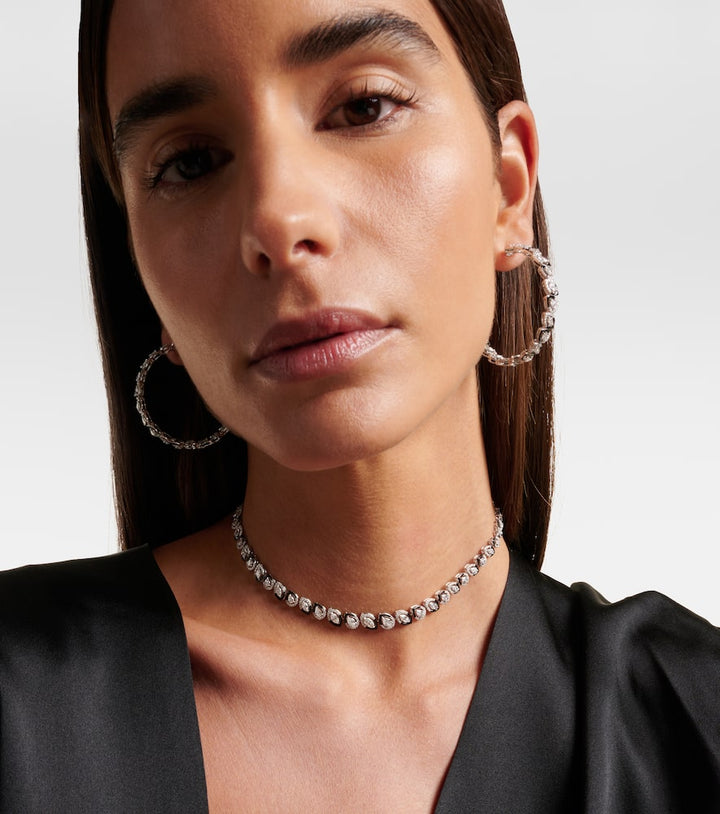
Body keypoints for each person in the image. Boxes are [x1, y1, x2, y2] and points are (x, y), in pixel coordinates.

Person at [0, 0, 718, 812]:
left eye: (364, 107)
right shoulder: (19, 699)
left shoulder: (692, 728)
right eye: (191, 163)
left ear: (509, 185)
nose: (279, 221)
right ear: (141, 271)